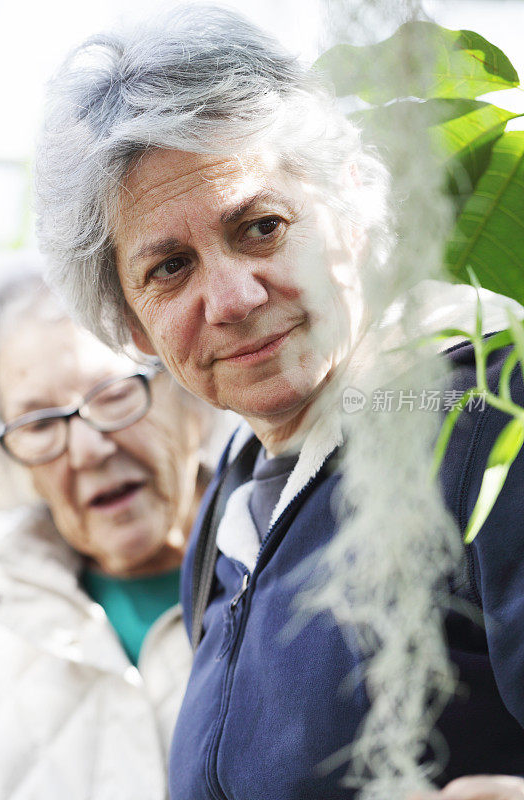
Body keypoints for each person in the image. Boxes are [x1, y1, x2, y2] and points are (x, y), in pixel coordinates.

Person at [35, 8, 524, 800]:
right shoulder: (228, 507)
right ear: (132, 323)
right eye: (168, 268)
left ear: (352, 205)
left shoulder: (489, 423)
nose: (229, 298)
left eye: (261, 227)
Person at [0, 265, 213, 800]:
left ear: (189, 389)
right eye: (40, 424)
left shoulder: (296, 567)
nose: (89, 449)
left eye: (115, 393)